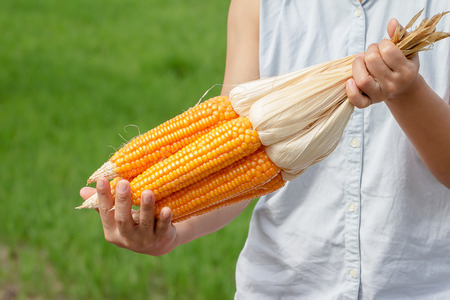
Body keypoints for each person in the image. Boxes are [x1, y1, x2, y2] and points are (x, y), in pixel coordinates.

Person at [80, 0, 450, 298]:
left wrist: (407, 93)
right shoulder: (258, 5)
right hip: (284, 284)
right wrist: (175, 231)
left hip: (419, 285)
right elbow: (230, 158)